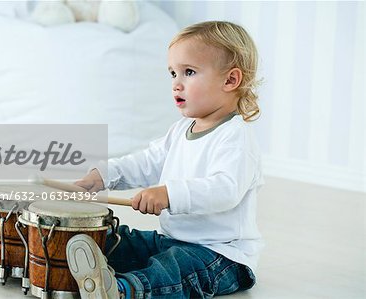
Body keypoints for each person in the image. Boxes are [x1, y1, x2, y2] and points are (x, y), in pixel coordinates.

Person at [67, 20, 264, 298]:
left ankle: (122, 290)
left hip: (220, 255)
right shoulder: (182, 129)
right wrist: (104, 175)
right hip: (173, 240)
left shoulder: (236, 137)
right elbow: (147, 162)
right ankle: (79, 261)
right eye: (173, 73)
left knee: (173, 268)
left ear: (230, 80)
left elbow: (225, 190)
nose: (176, 84)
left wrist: (169, 194)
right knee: (123, 240)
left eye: (189, 72)